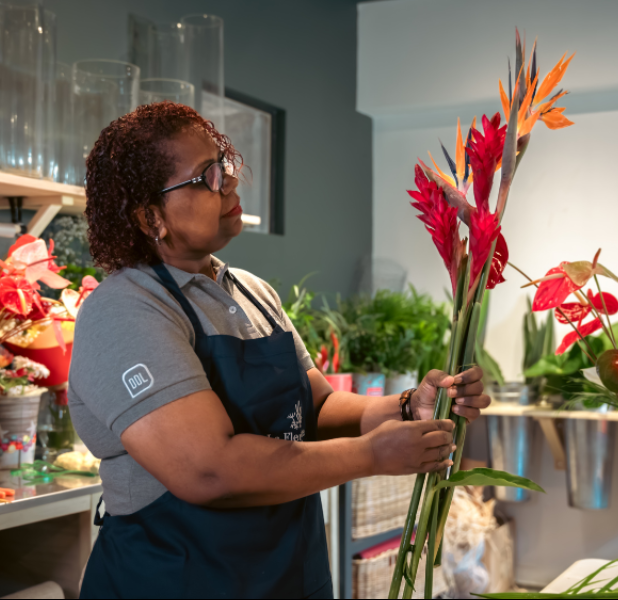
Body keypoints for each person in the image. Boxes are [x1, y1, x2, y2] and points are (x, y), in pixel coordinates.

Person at [69, 102, 491, 599]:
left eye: (223, 164)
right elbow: (208, 470)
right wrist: (371, 455)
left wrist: (403, 408)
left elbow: (317, 408)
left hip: (287, 576)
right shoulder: (126, 308)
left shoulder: (250, 291)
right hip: (180, 580)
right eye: (205, 177)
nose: (227, 182)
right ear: (150, 216)